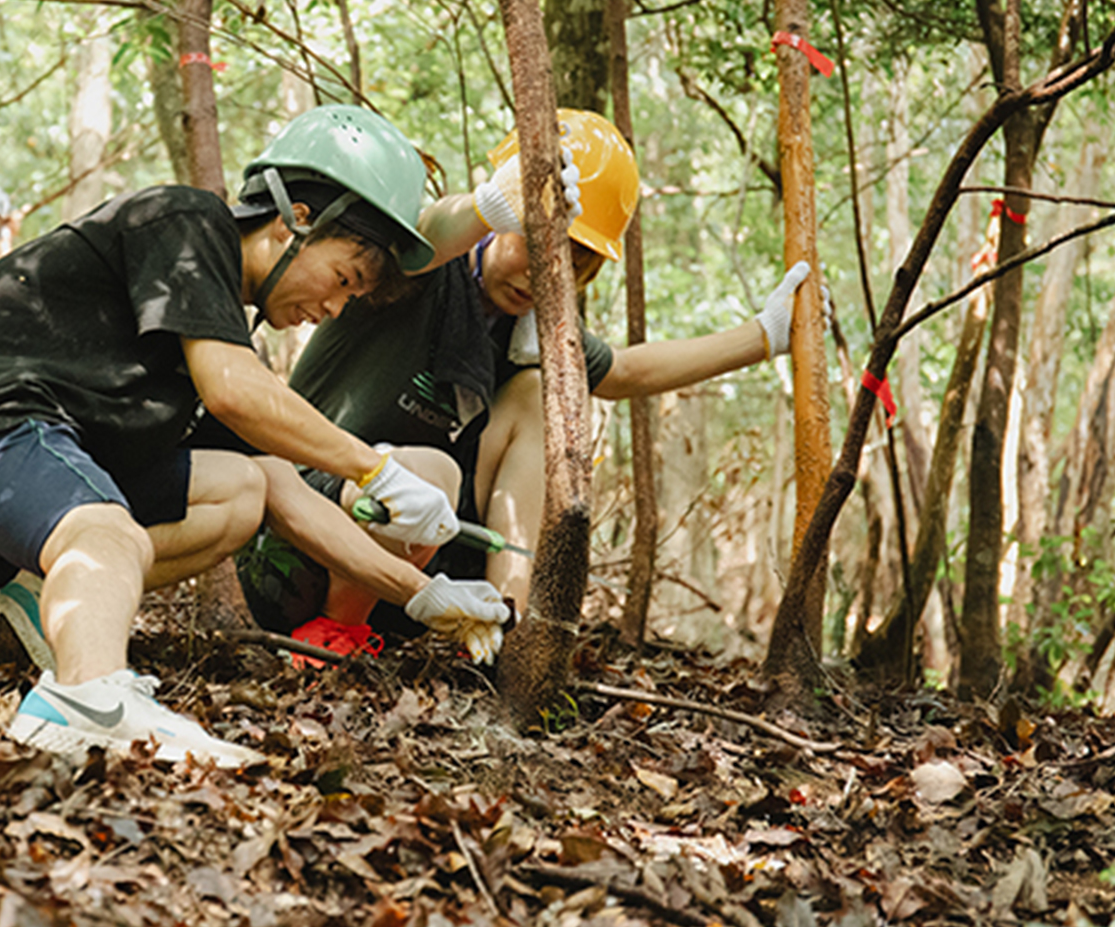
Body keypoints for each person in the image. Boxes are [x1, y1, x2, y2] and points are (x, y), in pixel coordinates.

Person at [0, 104, 511, 767]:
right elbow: (235, 389)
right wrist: (373, 469)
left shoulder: (211, 327)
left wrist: (422, 593)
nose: (332, 308)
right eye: (343, 279)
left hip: (10, 478)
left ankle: (39, 604)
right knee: (108, 533)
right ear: (295, 218)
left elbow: (285, 492)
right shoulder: (188, 222)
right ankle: (87, 697)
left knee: (240, 489)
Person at [237, 109, 814, 659]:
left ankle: (503, 627)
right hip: (296, 535)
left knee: (536, 396)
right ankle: (338, 631)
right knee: (429, 473)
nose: (539, 276)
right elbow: (428, 234)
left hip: (416, 572)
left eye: (572, 263)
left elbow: (624, 372)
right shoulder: (420, 267)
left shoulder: (535, 333)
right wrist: (488, 206)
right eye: (528, 245)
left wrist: (763, 336)